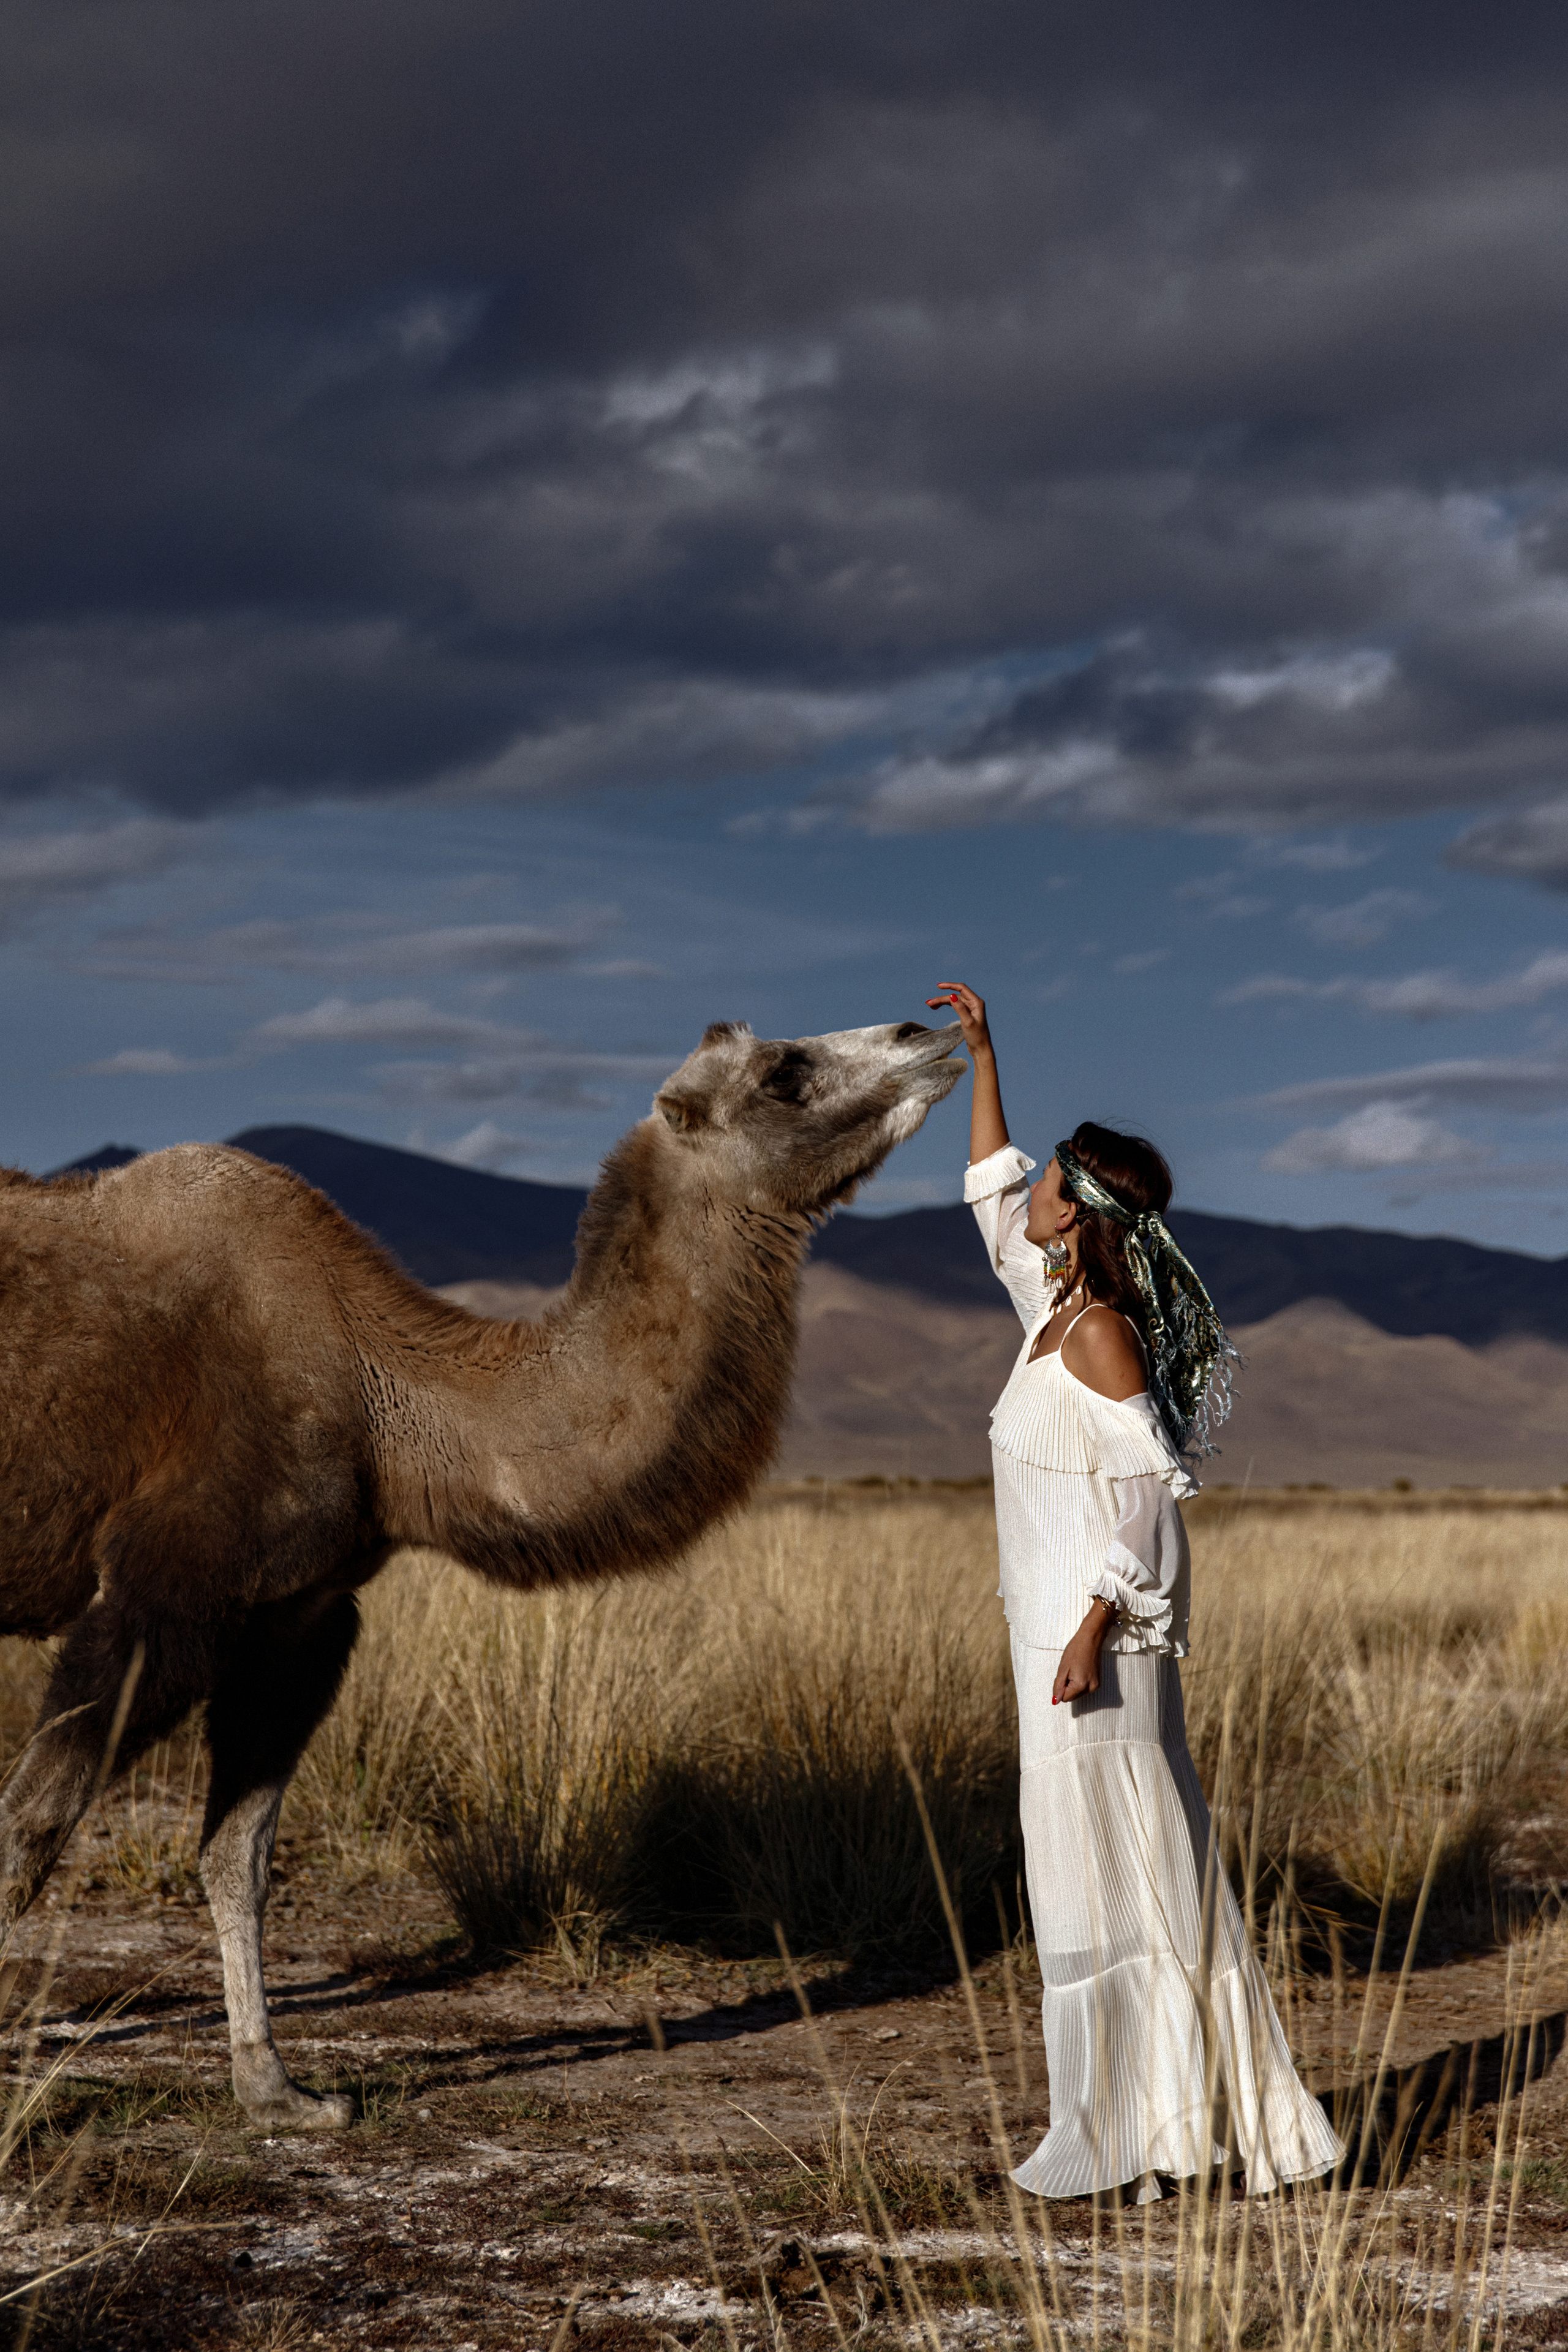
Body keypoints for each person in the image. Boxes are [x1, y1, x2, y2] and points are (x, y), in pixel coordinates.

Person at [926, 981, 1341, 2204]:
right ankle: (1136, 2133)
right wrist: (983, 1055)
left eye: (1052, 1176)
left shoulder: (1098, 1331)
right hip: (1056, 1641)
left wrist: (1091, 1628)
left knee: (1132, 1876)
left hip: (1093, 1647)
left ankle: (1165, 2133)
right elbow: (990, 1198)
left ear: (1079, 1211)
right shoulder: (1049, 1310)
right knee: (1092, 1881)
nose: (1033, 1186)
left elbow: (1152, 1495)